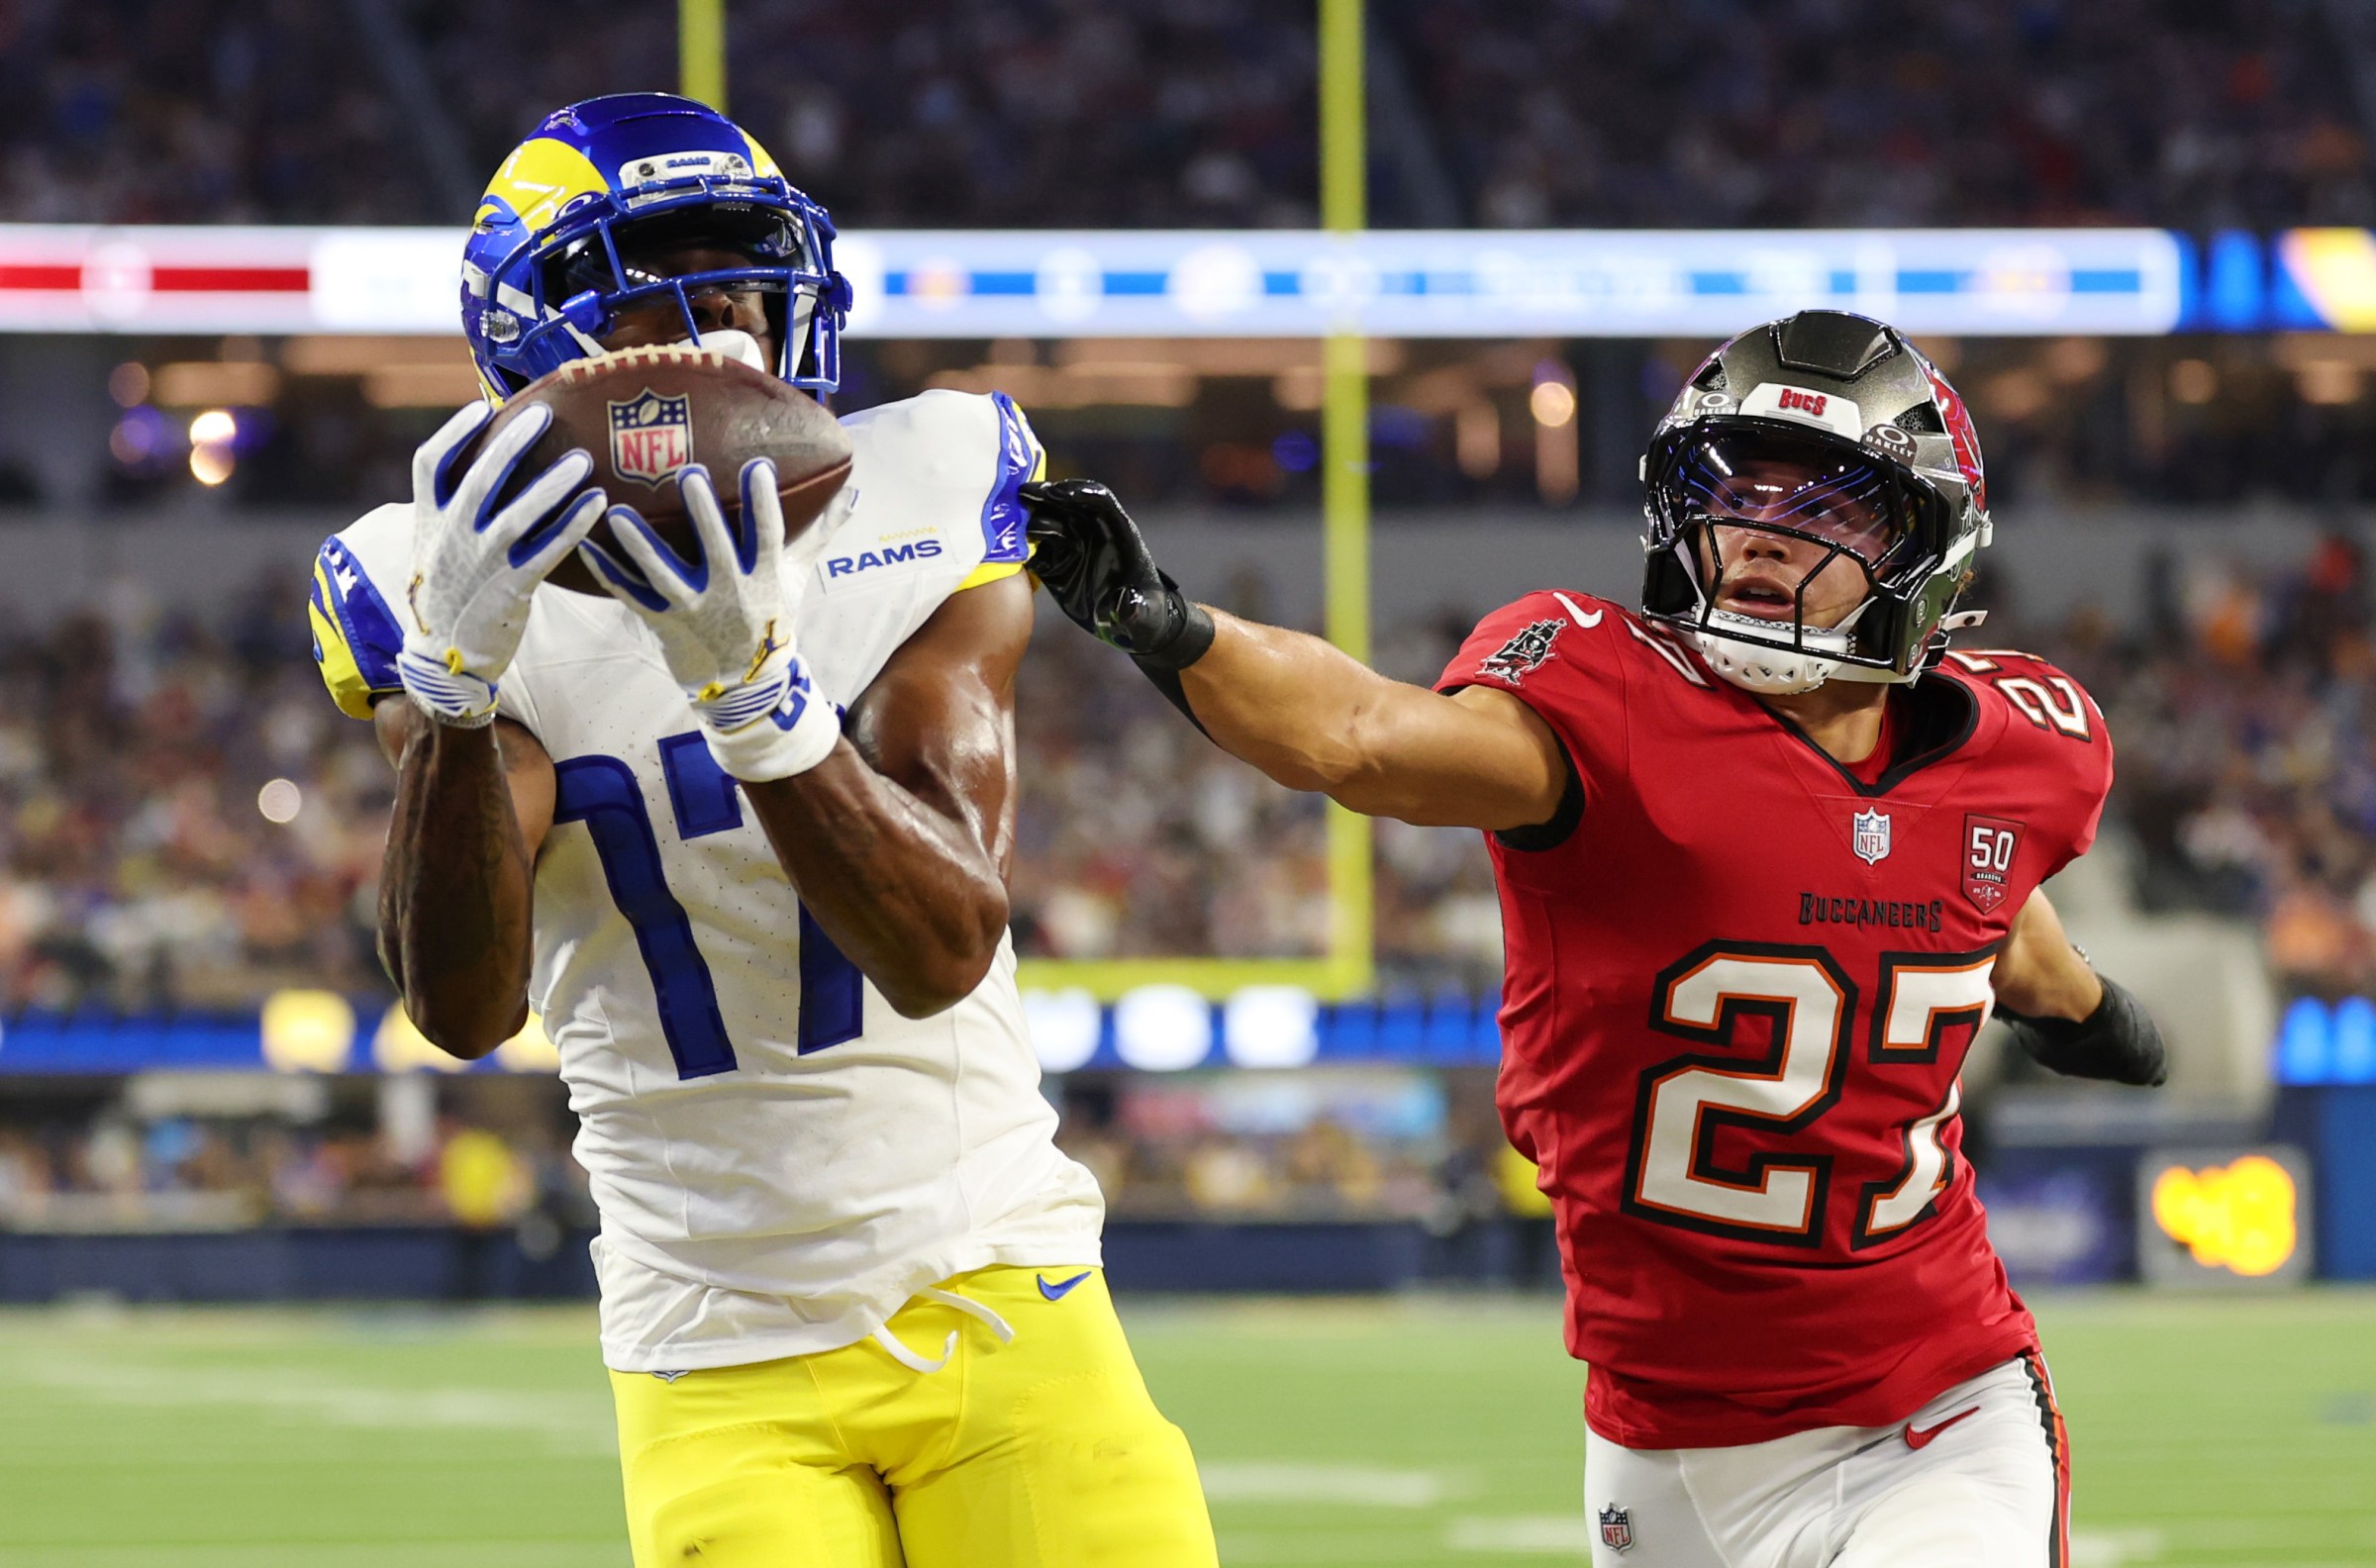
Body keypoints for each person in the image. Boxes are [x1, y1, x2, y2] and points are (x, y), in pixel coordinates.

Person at [1023, 309, 2167, 1568]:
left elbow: (1990, 906)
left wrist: (2089, 1012)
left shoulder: (2024, 749)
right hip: (1654, 1446)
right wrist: (1164, 622)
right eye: (1736, 494)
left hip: (1926, 1412)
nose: (1760, 538)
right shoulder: (1609, 716)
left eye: (1827, 509)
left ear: (1926, 550)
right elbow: (1357, 736)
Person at [305, 93, 1216, 1568]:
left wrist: (759, 699)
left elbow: (941, 945)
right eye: (659, 272)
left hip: (994, 1273)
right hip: (710, 1338)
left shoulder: (928, 479)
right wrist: (457, 687)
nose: (723, 308)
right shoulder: (425, 565)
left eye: (742, 265)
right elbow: (464, 1008)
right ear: (536, 335)